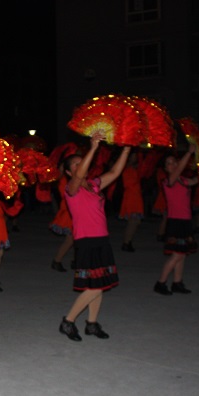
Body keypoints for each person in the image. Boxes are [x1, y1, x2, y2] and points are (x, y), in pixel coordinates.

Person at [58, 132, 130, 341]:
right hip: (86, 241)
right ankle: (68, 321)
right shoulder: (71, 188)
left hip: (101, 239)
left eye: (81, 162)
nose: (81, 165)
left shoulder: (95, 184)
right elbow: (80, 175)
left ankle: (91, 323)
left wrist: (127, 148)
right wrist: (93, 148)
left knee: (101, 285)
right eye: (76, 164)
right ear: (69, 172)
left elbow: (115, 172)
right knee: (94, 286)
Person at [153, 145, 197, 295]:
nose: (172, 165)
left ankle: (177, 282)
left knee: (182, 254)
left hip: (185, 221)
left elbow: (196, 180)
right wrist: (189, 152)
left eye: (173, 162)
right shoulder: (168, 181)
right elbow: (179, 170)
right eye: (169, 163)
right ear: (166, 168)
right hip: (176, 221)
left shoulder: (183, 179)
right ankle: (160, 283)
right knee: (177, 254)